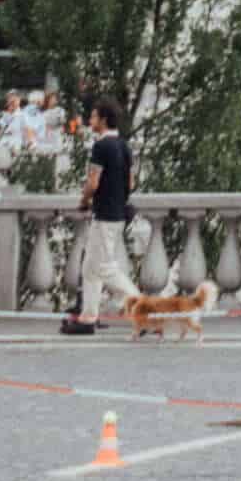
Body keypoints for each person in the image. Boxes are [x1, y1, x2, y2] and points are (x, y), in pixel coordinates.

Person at [69, 98, 136, 334]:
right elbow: (131, 181)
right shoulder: (124, 145)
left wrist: (84, 201)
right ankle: (88, 317)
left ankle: (143, 308)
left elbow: (93, 182)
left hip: (104, 213)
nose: (91, 120)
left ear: (104, 120)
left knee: (105, 268)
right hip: (118, 211)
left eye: (94, 116)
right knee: (90, 267)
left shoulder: (101, 147)